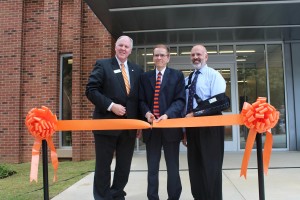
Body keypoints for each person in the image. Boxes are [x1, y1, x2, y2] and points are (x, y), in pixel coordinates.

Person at [85, 35, 144, 200]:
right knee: (103, 166)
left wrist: (138, 123)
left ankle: (117, 194)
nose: (123, 49)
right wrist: (111, 106)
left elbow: (138, 99)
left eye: (126, 46)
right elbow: (91, 90)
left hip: (128, 129)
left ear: (131, 50)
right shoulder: (103, 65)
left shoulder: (137, 70)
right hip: (106, 125)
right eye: (121, 45)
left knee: (124, 166)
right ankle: (102, 197)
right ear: (115, 47)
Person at [139, 44, 186, 200]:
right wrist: (146, 113)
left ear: (168, 57)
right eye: (156, 55)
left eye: (162, 55)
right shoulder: (145, 77)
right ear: (153, 57)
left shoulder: (177, 76)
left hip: (170, 128)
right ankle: (152, 197)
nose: (158, 58)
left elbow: (180, 101)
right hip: (151, 129)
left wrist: (167, 115)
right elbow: (141, 100)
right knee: (152, 168)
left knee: (173, 167)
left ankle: (173, 197)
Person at [183, 44, 226, 200]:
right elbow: (184, 106)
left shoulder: (214, 75)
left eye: (199, 54)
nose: (196, 57)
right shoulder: (187, 79)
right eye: (193, 55)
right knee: (195, 169)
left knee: (211, 168)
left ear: (206, 57)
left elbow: (219, 103)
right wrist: (184, 131)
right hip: (192, 129)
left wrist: (196, 114)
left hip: (210, 128)